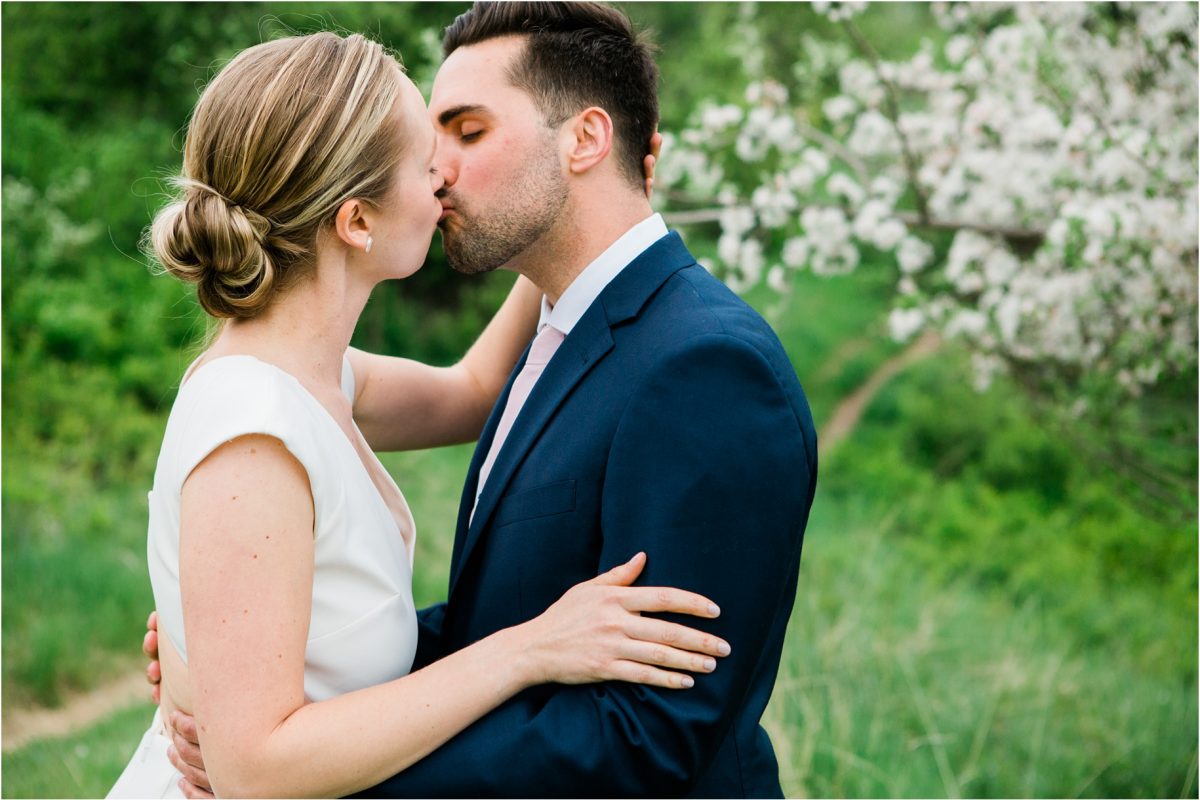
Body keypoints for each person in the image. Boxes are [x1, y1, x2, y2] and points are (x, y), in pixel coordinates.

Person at [155, 2, 818, 796]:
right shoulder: (548, 334)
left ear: (585, 140)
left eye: (467, 133)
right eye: (428, 145)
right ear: (354, 219)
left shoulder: (705, 369)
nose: (439, 171)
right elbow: (491, 622)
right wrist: (243, 661)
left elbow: (649, 733)